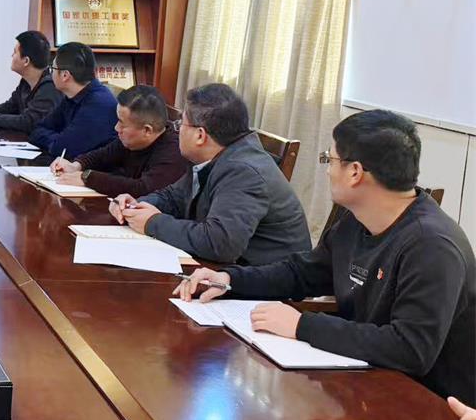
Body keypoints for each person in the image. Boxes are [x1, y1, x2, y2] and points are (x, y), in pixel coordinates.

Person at [176, 110, 475, 403]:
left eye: (329, 160)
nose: (328, 171)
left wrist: (302, 326)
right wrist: (229, 279)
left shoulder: (432, 246)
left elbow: (410, 349)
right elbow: (302, 273)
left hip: (430, 406)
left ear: (355, 172)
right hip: (366, 380)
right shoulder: (357, 220)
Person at [111, 83, 310, 265]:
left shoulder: (243, 171)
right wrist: (136, 206)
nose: (177, 131)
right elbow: (173, 197)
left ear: (200, 135)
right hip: (228, 269)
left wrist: (152, 223)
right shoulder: (211, 155)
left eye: (181, 124)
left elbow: (220, 244)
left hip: (265, 280)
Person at [50, 84, 187, 197]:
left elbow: (142, 188)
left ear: (147, 130)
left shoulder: (174, 152)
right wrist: (76, 166)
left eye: (122, 123)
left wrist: (87, 178)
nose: (116, 128)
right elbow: (103, 155)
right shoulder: (130, 141)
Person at [27, 42, 118, 159]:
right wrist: (58, 139)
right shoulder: (72, 96)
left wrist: (58, 140)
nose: (51, 74)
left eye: (52, 69)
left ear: (65, 75)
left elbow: (62, 149)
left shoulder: (99, 104)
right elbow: (37, 130)